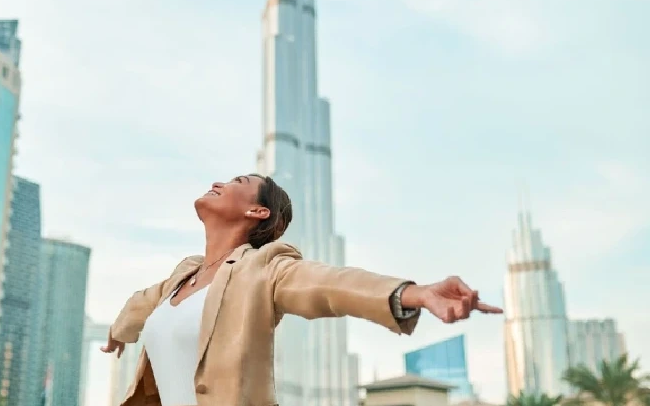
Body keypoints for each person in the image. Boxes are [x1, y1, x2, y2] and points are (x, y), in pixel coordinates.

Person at [101, 174, 502, 406]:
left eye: (238, 182)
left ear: (257, 212)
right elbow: (140, 307)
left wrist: (415, 293)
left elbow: (330, 284)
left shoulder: (262, 269)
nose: (219, 182)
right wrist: (117, 332)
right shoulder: (183, 276)